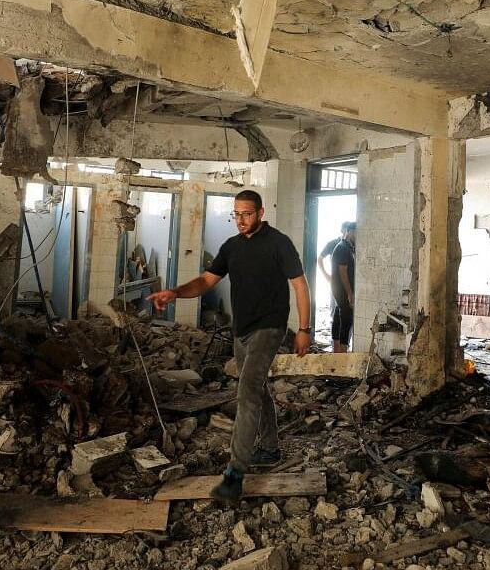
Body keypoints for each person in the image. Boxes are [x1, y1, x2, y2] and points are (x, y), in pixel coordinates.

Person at [147, 190, 311, 502]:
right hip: (242, 330)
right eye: (236, 214)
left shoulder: (279, 243)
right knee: (256, 388)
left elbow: (300, 285)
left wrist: (303, 329)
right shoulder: (232, 247)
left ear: (260, 212)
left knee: (247, 390)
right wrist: (175, 292)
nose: (240, 220)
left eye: (247, 214)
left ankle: (235, 472)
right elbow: (207, 281)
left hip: (270, 326)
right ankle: (271, 448)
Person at [329, 222, 356, 353]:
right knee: (346, 318)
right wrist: (350, 294)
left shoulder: (347, 247)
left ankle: (337, 350)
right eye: (356, 233)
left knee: (339, 316)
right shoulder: (342, 248)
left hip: (339, 288)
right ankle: (342, 352)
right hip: (341, 289)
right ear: (350, 231)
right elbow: (343, 273)